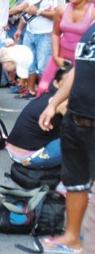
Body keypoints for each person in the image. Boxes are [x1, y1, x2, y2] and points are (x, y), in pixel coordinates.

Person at [38, 18, 95, 253]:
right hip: (75, 119)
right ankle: (72, 237)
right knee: (75, 182)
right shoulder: (92, 28)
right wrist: (54, 103)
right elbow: (76, 70)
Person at [13, 0, 66, 100]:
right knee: (29, 63)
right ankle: (30, 90)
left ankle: (43, 94)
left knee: (43, 66)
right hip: (30, 31)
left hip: (47, 33)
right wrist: (19, 28)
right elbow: (24, 10)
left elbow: (60, 14)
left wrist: (39, 12)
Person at [36, 0, 94, 96]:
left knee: (71, 94)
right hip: (60, 56)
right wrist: (56, 56)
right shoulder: (62, 9)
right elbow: (56, 33)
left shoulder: (92, 12)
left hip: (81, 60)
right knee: (44, 88)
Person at [6, 65, 70, 169]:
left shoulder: (47, 97)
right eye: (68, 81)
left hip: (14, 152)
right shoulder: (61, 103)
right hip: (29, 157)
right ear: (55, 83)